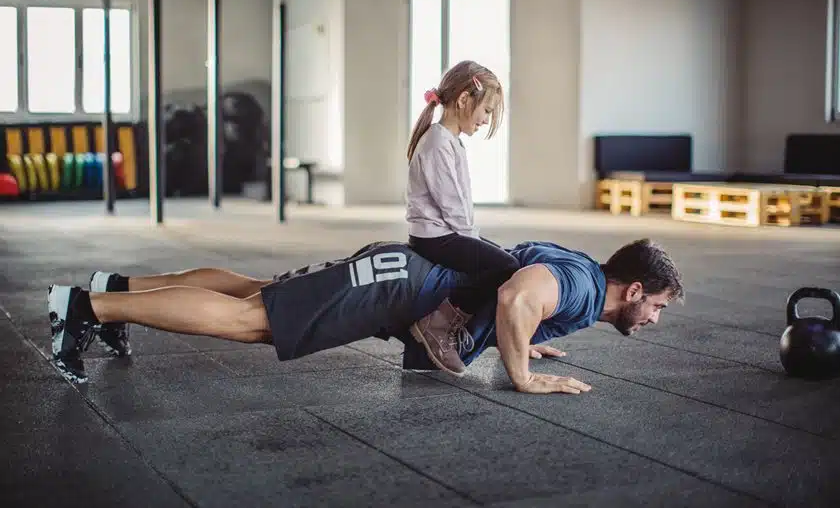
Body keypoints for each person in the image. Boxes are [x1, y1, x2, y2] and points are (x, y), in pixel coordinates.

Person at [47, 238, 684, 394]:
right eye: (657, 306)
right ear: (632, 290)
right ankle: (84, 307)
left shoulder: (577, 279)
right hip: (398, 289)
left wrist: (518, 341)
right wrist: (521, 371)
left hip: (397, 277)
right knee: (254, 320)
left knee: (257, 293)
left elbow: (511, 303)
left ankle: (117, 289)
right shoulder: (577, 285)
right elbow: (520, 293)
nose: (655, 319)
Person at [404, 60, 521, 375]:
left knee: (504, 259)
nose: (485, 121)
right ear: (463, 100)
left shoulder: (447, 141)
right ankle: (438, 326)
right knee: (506, 266)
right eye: (486, 111)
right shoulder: (437, 142)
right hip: (436, 238)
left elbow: (458, 207)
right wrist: (474, 240)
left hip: (445, 233)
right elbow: (453, 208)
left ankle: (462, 329)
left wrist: (476, 239)